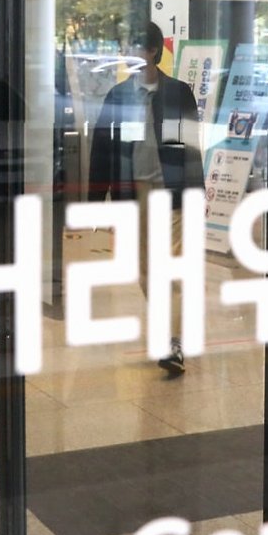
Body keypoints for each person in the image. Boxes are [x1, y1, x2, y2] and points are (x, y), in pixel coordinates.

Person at [89, 21, 204, 376]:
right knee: (145, 269)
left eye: (135, 47)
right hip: (133, 192)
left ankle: (172, 341)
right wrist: (96, 202)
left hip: (172, 191)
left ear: (153, 51)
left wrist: (196, 192)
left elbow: (190, 146)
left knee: (173, 266)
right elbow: (103, 150)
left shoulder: (177, 94)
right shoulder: (119, 96)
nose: (128, 54)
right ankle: (167, 329)